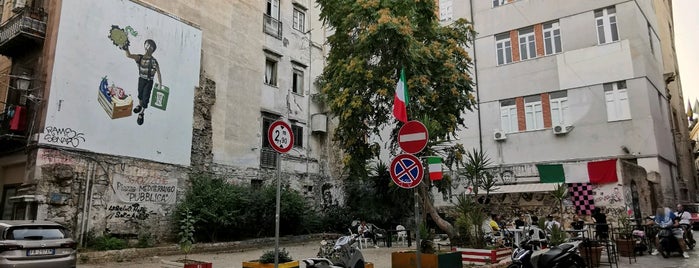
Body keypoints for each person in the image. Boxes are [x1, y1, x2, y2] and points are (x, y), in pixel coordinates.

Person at [125, 39, 162, 125]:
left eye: (150, 47)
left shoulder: (154, 61)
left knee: (145, 97)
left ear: (153, 50)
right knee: (140, 94)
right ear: (144, 46)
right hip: (141, 79)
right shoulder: (140, 57)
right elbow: (129, 55)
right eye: (147, 45)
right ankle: (139, 105)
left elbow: (159, 73)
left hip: (149, 81)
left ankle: (142, 112)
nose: (148, 47)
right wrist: (125, 48)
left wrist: (160, 84)